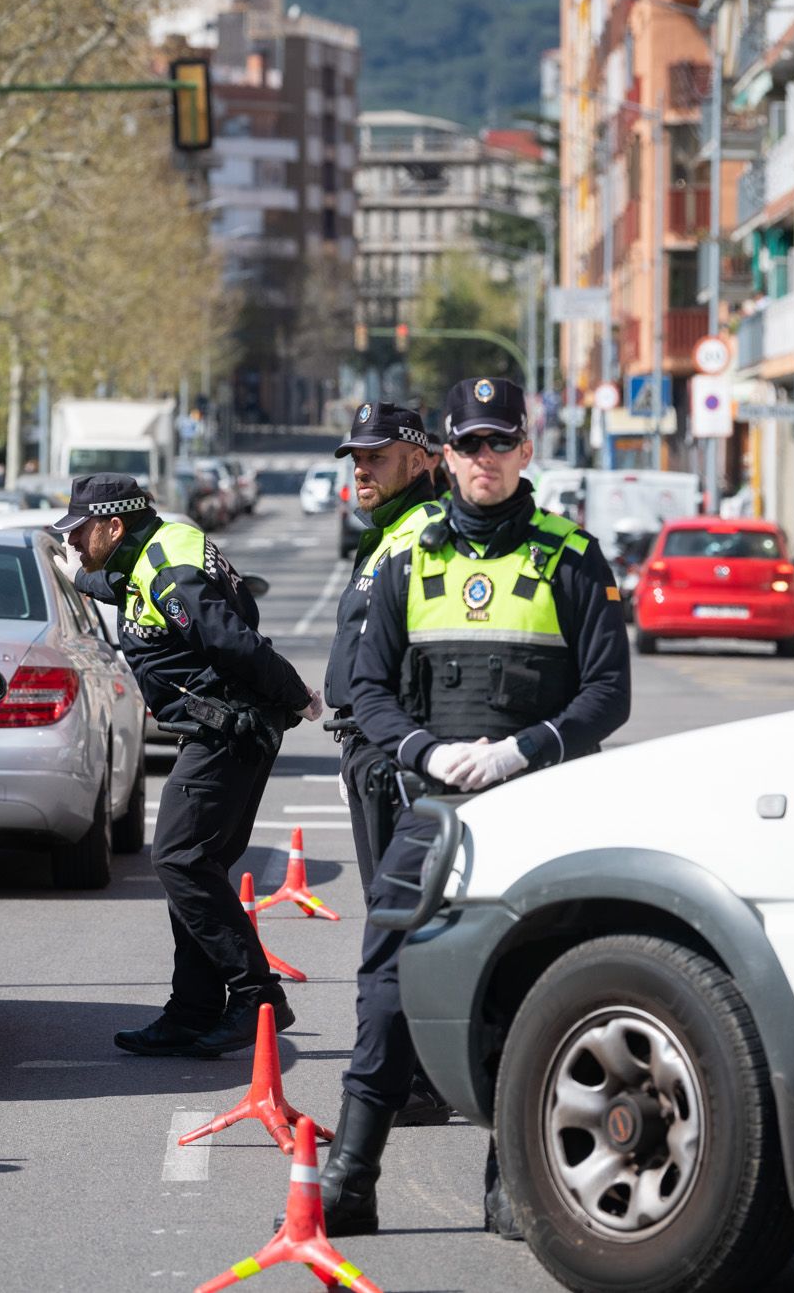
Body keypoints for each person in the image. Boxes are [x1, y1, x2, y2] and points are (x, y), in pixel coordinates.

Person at [324, 378, 633, 1238]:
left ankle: (511, 1182)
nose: (484, 459)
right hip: (431, 808)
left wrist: (519, 748)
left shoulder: (573, 557)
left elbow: (610, 695)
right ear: (447, 454)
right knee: (386, 991)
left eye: (500, 443)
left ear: (525, 451)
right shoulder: (407, 556)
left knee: (522, 990)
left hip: (536, 809)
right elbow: (370, 691)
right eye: (469, 444)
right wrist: (420, 750)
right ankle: (352, 1176)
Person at [57, 473, 322, 1058]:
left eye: (80, 532)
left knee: (178, 859)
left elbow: (234, 642)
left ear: (113, 525)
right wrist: (77, 576)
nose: (74, 541)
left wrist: (298, 695)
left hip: (229, 730)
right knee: (197, 869)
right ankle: (194, 1010)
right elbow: (125, 587)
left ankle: (258, 997)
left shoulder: (169, 569)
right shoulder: (158, 546)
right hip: (219, 728)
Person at [321, 403, 453, 1127]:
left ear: (419, 456)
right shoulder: (390, 532)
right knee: (390, 913)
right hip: (368, 746)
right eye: (356, 458)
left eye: (375, 456)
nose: (361, 470)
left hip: (395, 751)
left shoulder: (425, 532)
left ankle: (421, 1077)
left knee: (404, 917)